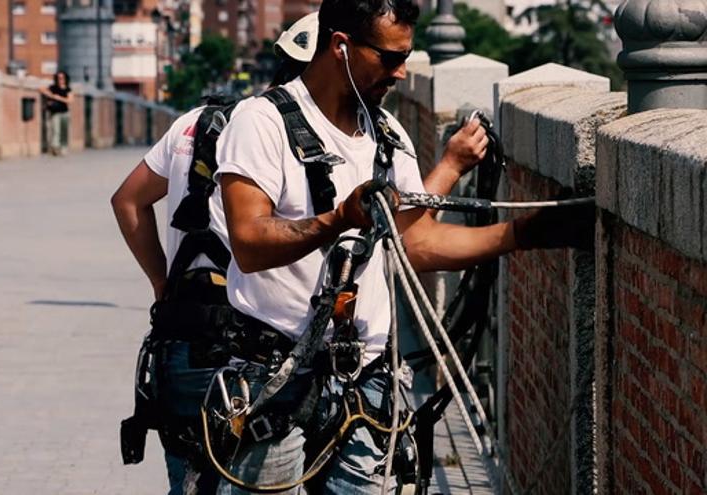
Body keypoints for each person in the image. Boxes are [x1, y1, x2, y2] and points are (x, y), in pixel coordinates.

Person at [211, 0, 591, 493]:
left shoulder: (387, 134)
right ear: (341, 47)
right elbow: (249, 243)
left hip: (364, 379)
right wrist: (338, 219)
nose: (402, 72)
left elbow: (415, 242)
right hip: (273, 376)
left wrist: (522, 234)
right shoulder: (261, 122)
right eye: (390, 57)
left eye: (406, 56)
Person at [111, 14, 324, 495]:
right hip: (260, 351)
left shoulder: (197, 122)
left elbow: (128, 200)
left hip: (183, 338)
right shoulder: (307, 137)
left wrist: (163, 283)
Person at [40, 71, 73, 156]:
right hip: (55, 112)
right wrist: (51, 95)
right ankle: (55, 147)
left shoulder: (68, 89)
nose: (60, 79)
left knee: (64, 131)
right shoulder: (53, 87)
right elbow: (41, 89)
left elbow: (70, 100)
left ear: (65, 79)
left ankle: (64, 148)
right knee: (56, 130)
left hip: (65, 113)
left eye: (62, 78)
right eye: (58, 78)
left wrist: (59, 98)